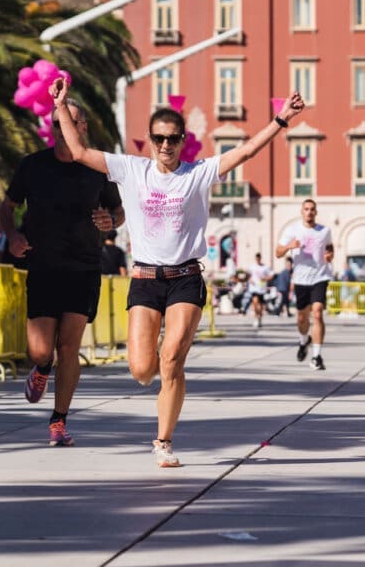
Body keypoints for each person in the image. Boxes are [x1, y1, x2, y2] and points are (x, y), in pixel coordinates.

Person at [51, 76, 305, 467]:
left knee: (171, 360)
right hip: (145, 280)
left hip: (185, 278)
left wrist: (281, 120)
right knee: (142, 370)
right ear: (149, 139)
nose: (165, 145)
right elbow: (81, 152)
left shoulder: (198, 173)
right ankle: (162, 380)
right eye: (159, 138)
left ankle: (163, 441)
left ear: (182, 140)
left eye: (172, 138)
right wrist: (61, 107)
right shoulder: (132, 169)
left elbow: (246, 151)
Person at [0, 98, 124, 447]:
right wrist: (12, 235)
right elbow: (7, 206)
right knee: (41, 351)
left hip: (84, 267)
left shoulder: (98, 168)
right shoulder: (33, 166)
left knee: (69, 347)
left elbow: (118, 210)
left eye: (71, 121)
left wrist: (111, 220)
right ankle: (42, 369)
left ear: (83, 127)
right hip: (43, 265)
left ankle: (59, 421)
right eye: (57, 123)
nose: (63, 128)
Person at [276, 198, 334, 370]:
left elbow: (330, 248)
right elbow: (277, 253)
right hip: (301, 279)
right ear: (302, 212)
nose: (309, 212)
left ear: (316, 212)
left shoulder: (324, 231)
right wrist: (289, 246)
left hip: (320, 277)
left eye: (312, 209)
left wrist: (329, 256)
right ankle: (303, 340)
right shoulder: (292, 230)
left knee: (317, 313)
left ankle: (317, 357)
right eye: (306, 209)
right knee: (302, 318)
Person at [246, 252, 272, 329]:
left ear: (260, 258)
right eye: (257, 258)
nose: (258, 260)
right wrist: (249, 279)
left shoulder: (265, 267)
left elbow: (271, 275)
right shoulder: (252, 266)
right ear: (255, 258)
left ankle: (259, 318)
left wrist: (265, 279)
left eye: (259, 258)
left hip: (261, 287)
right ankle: (255, 318)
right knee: (255, 302)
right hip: (254, 287)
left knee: (260, 305)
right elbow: (247, 275)